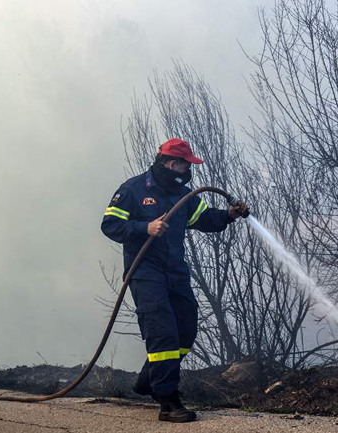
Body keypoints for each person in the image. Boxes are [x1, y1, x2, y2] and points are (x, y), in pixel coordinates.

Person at [101, 137, 249, 423]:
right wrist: (146, 227)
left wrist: (229, 215)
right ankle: (168, 401)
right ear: (172, 163)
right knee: (163, 332)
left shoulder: (183, 197)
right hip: (145, 273)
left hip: (176, 272)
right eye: (185, 164)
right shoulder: (133, 189)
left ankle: (149, 380)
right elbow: (110, 224)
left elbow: (205, 220)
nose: (187, 170)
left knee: (185, 330)